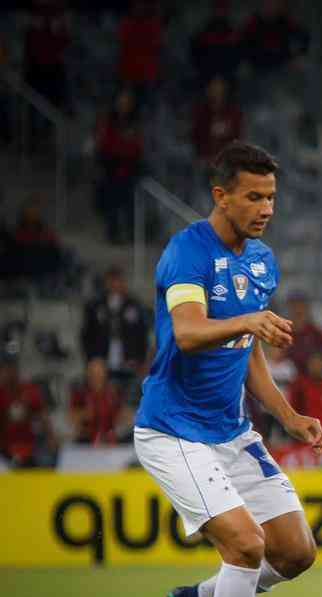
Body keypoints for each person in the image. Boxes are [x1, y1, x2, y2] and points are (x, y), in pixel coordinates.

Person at [133, 142, 322, 597]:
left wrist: (289, 415)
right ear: (222, 195)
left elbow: (245, 352)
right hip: (174, 431)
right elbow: (191, 333)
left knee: (296, 553)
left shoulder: (262, 260)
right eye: (253, 196)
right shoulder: (186, 253)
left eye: (271, 196)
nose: (266, 207)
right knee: (246, 545)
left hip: (232, 431)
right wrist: (248, 320)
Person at [80, 267, 151, 384]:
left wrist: (139, 358)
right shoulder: (95, 305)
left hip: (128, 359)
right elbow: (86, 334)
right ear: (106, 283)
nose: (115, 284)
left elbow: (141, 334)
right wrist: (92, 358)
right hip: (102, 358)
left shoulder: (134, 305)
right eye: (112, 281)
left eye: (118, 280)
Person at [94, 88, 144, 244]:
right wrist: (121, 147)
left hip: (130, 169)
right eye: (122, 100)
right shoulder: (108, 120)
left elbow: (137, 145)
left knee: (129, 204)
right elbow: (105, 144)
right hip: (111, 167)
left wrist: (126, 148)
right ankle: (113, 234)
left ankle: (130, 234)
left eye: (127, 101)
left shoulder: (135, 122)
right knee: (112, 203)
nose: (124, 104)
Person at [0, 357, 51, 467]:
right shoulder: (1, 393)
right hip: (5, 447)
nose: (9, 374)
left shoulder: (28, 390)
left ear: (16, 371)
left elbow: (43, 415)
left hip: (30, 446)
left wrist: (49, 436)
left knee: (45, 460)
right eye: (5, 370)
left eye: (11, 370)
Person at [69, 358, 131, 445]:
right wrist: (85, 414)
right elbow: (70, 417)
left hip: (109, 440)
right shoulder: (80, 393)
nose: (97, 378)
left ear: (105, 375)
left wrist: (123, 417)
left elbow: (123, 415)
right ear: (88, 375)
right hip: (86, 441)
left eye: (100, 374)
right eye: (93, 375)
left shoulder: (112, 393)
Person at [240, 0, 310, 74]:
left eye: (275, 4)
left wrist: (299, 55)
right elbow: (242, 44)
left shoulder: (285, 20)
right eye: (268, 4)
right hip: (259, 69)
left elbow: (303, 36)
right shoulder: (252, 23)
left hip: (284, 65)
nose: (271, 7)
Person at [117, 1, 164, 104]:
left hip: (147, 74)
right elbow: (122, 45)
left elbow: (157, 48)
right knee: (127, 103)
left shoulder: (153, 25)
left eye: (142, 4)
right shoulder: (126, 24)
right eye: (137, 5)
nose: (139, 7)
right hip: (129, 73)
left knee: (147, 104)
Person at [192, 76, 243, 165]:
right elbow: (195, 138)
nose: (216, 92)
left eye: (219, 89)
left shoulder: (233, 113)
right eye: (213, 88)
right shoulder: (200, 113)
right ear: (207, 90)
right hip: (203, 162)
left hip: (227, 163)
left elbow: (238, 139)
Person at [190, 0, 242, 86]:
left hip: (227, 76)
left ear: (226, 11)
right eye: (218, 9)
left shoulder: (234, 33)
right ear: (213, 11)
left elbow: (237, 56)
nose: (220, 12)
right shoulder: (204, 32)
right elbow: (196, 54)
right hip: (206, 75)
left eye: (222, 9)